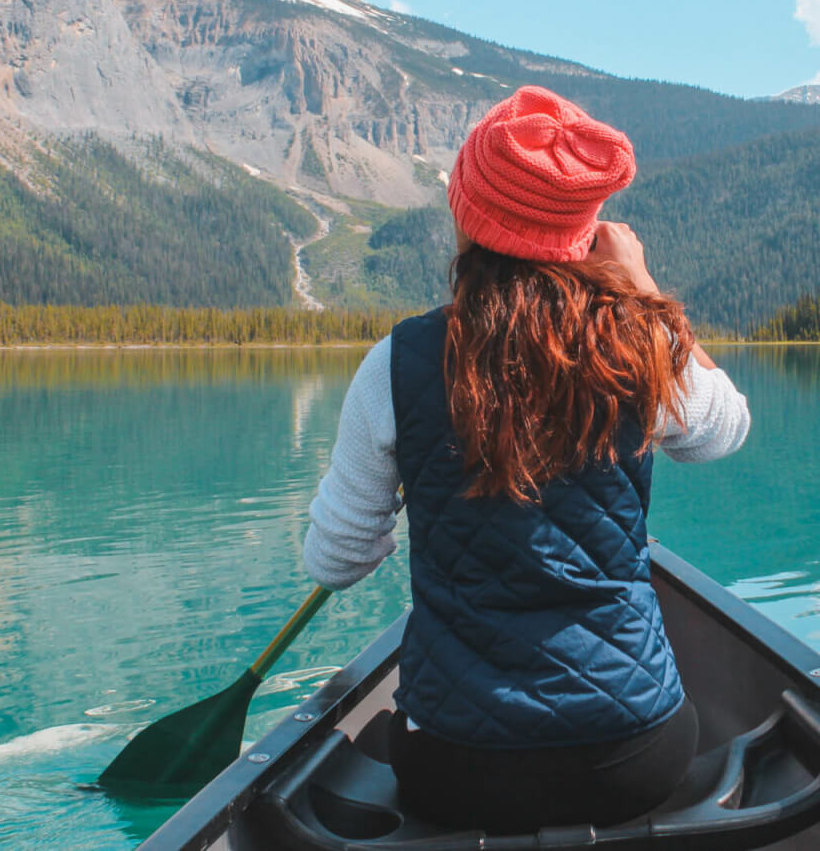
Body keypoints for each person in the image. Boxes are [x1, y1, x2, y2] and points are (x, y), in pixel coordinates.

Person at [301, 85, 751, 834]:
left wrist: (399, 502)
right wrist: (642, 290)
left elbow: (334, 562)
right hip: (634, 753)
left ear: (465, 217)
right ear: (586, 229)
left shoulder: (396, 364)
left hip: (460, 765)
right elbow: (721, 431)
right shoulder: (637, 345)